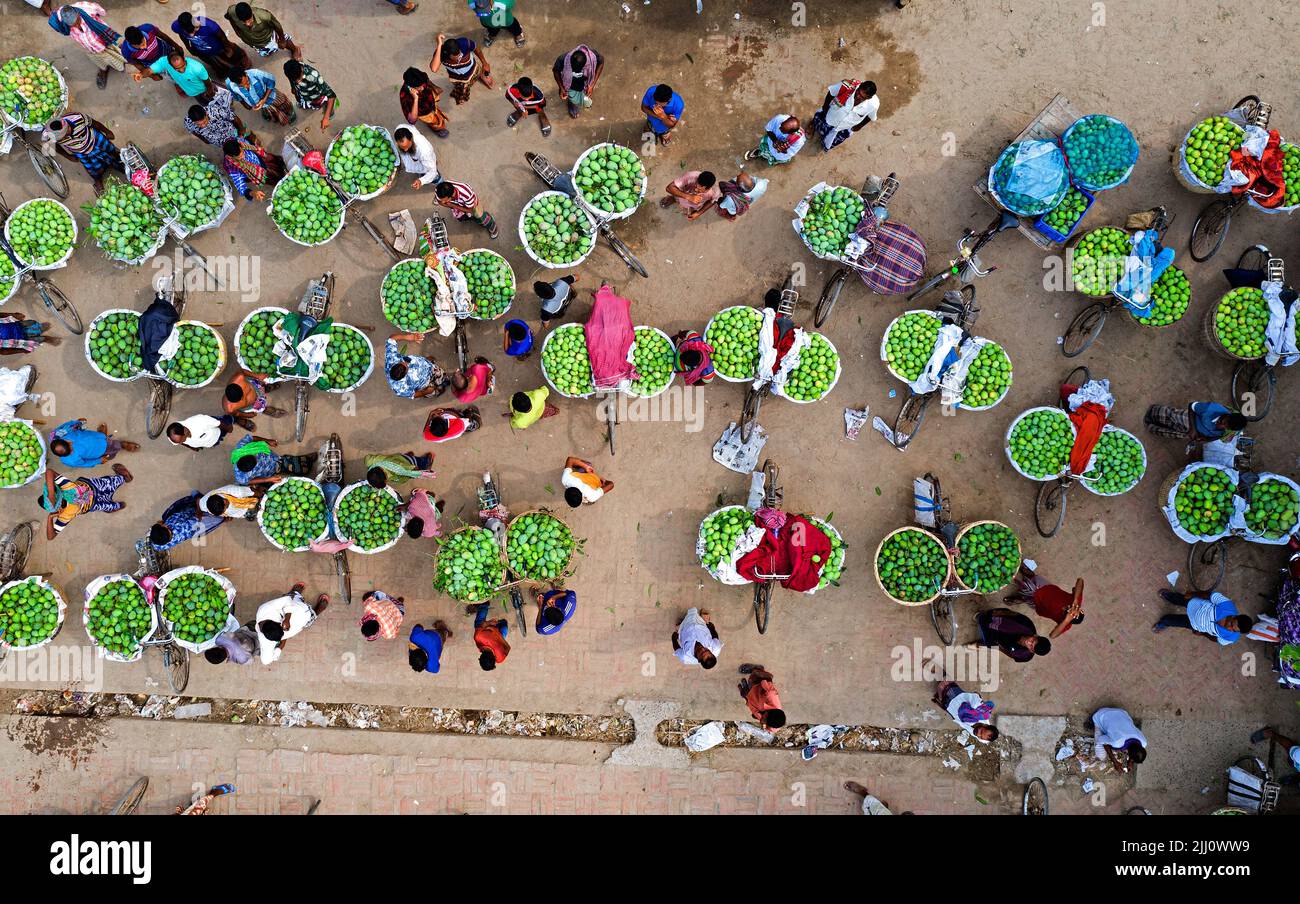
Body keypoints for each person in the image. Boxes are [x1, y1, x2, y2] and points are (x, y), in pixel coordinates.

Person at [39, 465, 131, 539]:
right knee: (110, 482)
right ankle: (124, 477)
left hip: (93, 504)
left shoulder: (64, 514)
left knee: (107, 506)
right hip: (95, 487)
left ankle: (116, 506)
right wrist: (51, 494)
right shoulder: (65, 488)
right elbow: (49, 471)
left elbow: (50, 536)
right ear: (57, 492)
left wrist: (50, 518)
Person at [48, 4, 127, 90]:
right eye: (72, 25)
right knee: (97, 59)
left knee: (114, 56)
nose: (77, 25)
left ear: (78, 13)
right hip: (88, 46)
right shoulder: (60, 21)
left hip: (103, 41)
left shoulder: (87, 9)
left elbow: (100, 10)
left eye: (77, 21)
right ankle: (103, 69)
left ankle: (119, 64)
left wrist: (98, 17)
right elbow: (56, 25)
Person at [43, 114, 124, 191]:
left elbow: (95, 123)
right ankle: (97, 179)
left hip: (95, 140)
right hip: (81, 152)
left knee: (111, 152)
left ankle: (118, 164)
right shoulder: (48, 134)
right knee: (92, 167)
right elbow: (55, 145)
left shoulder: (78, 118)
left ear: (67, 129)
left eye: (61, 137)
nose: (60, 139)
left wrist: (107, 131)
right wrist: (67, 156)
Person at [255, 582, 327, 665]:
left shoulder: (265, 609)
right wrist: (279, 649)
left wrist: (287, 618)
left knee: (290, 597)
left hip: (290, 605)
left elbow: (286, 601)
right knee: (308, 618)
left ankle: (295, 593)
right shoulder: (264, 640)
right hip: (301, 618)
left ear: (274, 621)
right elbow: (265, 661)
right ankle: (316, 611)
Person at [1004, 566, 1085, 639]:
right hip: (1045, 587)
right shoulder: (1077, 601)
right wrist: (1076, 599)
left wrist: (1066, 620)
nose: (1068, 608)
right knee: (1033, 579)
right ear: (1079, 609)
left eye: (1067, 612)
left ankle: (1021, 598)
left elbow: (1052, 636)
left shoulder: (1066, 623)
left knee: (1026, 594)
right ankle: (1030, 575)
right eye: (1071, 608)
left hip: (1038, 604)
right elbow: (1080, 580)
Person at [1153, 589, 1253, 644]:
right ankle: (1169, 596)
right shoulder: (1227, 605)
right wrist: (1193, 594)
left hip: (1195, 624)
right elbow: (1209, 595)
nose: (1228, 627)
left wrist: (1203, 634)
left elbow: (1216, 640)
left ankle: (1164, 622)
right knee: (1180, 599)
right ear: (1235, 616)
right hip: (1195, 604)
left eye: (1233, 629)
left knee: (1177, 622)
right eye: (1231, 623)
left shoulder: (1231, 638)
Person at [172, 11, 250, 80]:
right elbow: (181, 35)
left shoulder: (207, 24)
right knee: (215, 64)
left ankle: (243, 59)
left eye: (193, 30)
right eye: (188, 32)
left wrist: (227, 48)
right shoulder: (176, 26)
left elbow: (222, 36)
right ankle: (222, 71)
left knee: (233, 56)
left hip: (218, 48)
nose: (191, 35)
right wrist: (188, 47)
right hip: (202, 51)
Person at [811, 79, 879, 151]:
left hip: (844, 128)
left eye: (862, 97)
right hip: (831, 116)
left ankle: (825, 143)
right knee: (818, 121)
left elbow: (870, 116)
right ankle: (812, 125)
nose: (858, 96)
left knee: (831, 141)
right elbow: (831, 92)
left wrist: (860, 126)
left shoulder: (873, 104)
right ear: (859, 86)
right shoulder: (847, 85)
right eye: (858, 92)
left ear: (869, 98)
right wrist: (825, 107)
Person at [149, 491, 227, 551]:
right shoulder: (185, 528)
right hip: (195, 518)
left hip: (185, 514)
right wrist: (198, 504)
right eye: (162, 526)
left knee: (195, 495)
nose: (162, 524)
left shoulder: (159, 544)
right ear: (166, 528)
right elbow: (198, 517)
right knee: (217, 517)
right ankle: (224, 517)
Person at [431, 33, 493, 105]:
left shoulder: (464, 43)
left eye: (460, 55)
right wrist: (439, 45)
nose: (459, 58)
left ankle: (481, 76)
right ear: (447, 54)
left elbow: (477, 49)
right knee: (462, 90)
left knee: (477, 71)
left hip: (473, 67)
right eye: (455, 58)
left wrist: (484, 63)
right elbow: (434, 68)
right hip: (459, 78)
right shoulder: (440, 55)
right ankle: (462, 95)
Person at [184, 86, 254, 149]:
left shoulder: (217, 111)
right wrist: (205, 140)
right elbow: (193, 131)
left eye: (204, 122)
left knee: (247, 143)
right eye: (198, 124)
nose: (203, 126)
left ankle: (252, 140)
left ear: (206, 114)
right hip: (220, 143)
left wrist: (241, 133)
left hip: (232, 133)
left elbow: (234, 118)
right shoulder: (188, 122)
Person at [1144, 401, 1247, 444]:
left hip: (1197, 433)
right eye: (1222, 422)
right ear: (1228, 415)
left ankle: (1152, 426)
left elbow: (1218, 437)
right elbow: (1192, 406)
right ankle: (1152, 413)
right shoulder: (1211, 408)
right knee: (1171, 416)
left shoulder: (1229, 431)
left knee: (1174, 432)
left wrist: (1205, 438)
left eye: (1225, 427)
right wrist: (1193, 429)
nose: (1221, 426)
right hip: (1191, 420)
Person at [48, 419, 137, 468]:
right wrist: (98, 460)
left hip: (93, 436)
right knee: (112, 447)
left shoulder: (59, 433)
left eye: (69, 445)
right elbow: (84, 463)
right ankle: (122, 445)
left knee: (102, 437)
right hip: (101, 450)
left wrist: (76, 422)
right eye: (71, 451)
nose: (72, 446)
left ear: (63, 439)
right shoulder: (70, 460)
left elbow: (66, 425)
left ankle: (102, 434)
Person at [224, 3, 300, 59]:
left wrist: (282, 40)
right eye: (244, 21)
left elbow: (277, 26)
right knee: (266, 51)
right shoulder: (231, 11)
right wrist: (237, 32)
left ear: (251, 12)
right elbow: (230, 18)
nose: (247, 24)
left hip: (268, 37)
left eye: (249, 20)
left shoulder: (264, 16)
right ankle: (269, 50)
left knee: (284, 42)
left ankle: (295, 49)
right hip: (253, 43)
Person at [974, 607, 1051, 662]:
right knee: (982, 618)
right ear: (1035, 636)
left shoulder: (1024, 656)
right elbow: (1011, 614)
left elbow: (1011, 655)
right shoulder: (1026, 624)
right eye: (1033, 640)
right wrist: (993, 614)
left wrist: (998, 648)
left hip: (998, 639)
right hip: (999, 622)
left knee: (988, 642)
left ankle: (981, 643)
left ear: (1031, 651)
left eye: (1031, 646)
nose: (1028, 642)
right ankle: (982, 617)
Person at [385, 334, 449, 400]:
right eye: (406, 366)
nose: (406, 363)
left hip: (429, 367)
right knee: (433, 390)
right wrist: (426, 392)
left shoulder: (391, 359)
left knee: (441, 375)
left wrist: (407, 337)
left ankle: (443, 379)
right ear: (405, 374)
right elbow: (414, 394)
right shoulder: (400, 388)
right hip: (425, 383)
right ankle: (439, 389)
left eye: (401, 362)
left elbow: (391, 339)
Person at [232, 433, 314, 484]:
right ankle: (286, 468)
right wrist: (268, 479)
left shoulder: (240, 448)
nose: (257, 457)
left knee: (290, 460)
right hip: (271, 471)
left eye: (254, 456)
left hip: (274, 457)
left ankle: (294, 459)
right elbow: (250, 481)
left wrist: (267, 441)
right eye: (256, 460)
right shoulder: (241, 478)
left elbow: (252, 438)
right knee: (303, 471)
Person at [225, 65, 295, 125]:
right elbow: (237, 96)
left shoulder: (256, 73)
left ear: (246, 74)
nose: (245, 86)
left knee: (285, 105)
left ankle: (291, 113)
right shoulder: (230, 84)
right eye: (241, 85)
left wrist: (264, 99)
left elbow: (271, 81)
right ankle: (274, 115)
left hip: (272, 97)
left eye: (246, 82)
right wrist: (244, 103)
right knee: (271, 112)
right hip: (260, 105)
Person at [932, 680, 998, 743]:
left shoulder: (983, 738)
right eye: (981, 732)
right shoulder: (979, 713)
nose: (978, 734)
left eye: (980, 736)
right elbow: (976, 697)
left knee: (942, 696)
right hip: (956, 696)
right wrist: (978, 699)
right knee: (944, 684)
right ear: (986, 725)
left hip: (951, 709)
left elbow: (984, 740)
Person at [221, 136, 284, 202]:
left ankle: (281, 170)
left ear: (240, 146)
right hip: (257, 173)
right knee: (272, 178)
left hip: (259, 159)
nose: (243, 157)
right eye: (239, 157)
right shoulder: (232, 167)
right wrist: (253, 193)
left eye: (242, 152)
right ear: (230, 156)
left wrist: (259, 151)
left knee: (275, 165)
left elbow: (252, 146)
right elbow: (240, 185)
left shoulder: (240, 142)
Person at [1090, 706, 1147, 773]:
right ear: (1128, 752)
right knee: (1101, 755)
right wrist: (1114, 762)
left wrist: (1130, 762)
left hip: (1122, 713)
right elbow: (1101, 740)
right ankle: (1096, 725)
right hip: (1101, 715)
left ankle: (1109, 729)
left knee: (1113, 739)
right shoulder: (1117, 742)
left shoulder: (1144, 742)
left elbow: (1134, 750)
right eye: (1132, 759)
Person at [283, 59, 336, 130]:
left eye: (299, 78)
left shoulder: (314, 76)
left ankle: (330, 113)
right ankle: (304, 103)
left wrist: (326, 118)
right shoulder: (290, 70)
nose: (298, 82)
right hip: (303, 95)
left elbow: (331, 95)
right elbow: (290, 78)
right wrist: (293, 87)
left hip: (315, 96)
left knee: (320, 103)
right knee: (303, 101)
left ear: (302, 70)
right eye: (295, 80)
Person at [552, 45, 602, 118]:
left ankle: (581, 95)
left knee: (584, 91)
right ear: (570, 63)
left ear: (586, 64)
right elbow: (555, 71)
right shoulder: (563, 59)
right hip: (571, 83)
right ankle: (571, 103)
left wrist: (592, 85)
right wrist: (562, 88)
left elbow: (601, 62)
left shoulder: (592, 56)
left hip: (584, 81)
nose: (577, 71)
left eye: (580, 69)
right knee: (571, 94)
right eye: (574, 69)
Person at [399, 67, 449, 139]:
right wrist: (415, 99)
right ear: (410, 87)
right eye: (418, 87)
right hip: (424, 113)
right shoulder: (405, 96)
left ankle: (436, 119)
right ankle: (436, 128)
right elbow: (412, 120)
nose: (422, 88)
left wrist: (434, 87)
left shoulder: (421, 78)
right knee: (433, 121)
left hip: (430, 101)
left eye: (422, 85)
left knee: (436, 113)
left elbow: (427, 80)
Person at [737, 663, 786, 730]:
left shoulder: (771, 722)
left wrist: (747, 698)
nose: (761, 721)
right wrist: (759, 679)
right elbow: (765, 684)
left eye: (765, 722)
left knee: (746, 690)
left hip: (752, 698)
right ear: (768, 712)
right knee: (752, 679)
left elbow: (774, 729)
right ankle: (758, 669)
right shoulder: (771, 697)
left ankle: (751, 688)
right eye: (764, 719)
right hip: (757, 687)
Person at [166, 413, 248, 450]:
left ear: (185, 430)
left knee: (227, 420)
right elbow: (180, 443)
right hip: (210, 442)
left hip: (218, 431)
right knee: (216, 442)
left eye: (181, 441)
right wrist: (192, 447)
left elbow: (219, 424)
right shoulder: (173, 436)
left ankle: (235, 418)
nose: (180, 443)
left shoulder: (201, 421)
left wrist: (228, 428)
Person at [468, 602, 510, 670]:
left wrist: (490, 623)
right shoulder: (499, 658)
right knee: (504, 625)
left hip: (485, 628)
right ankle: (502, 622)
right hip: (497, 636)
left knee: (481, 616)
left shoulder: (479, 637)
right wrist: (499, 636)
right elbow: (508, 648)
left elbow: (482, 624)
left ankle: (482, 606)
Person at [364, 452, 434, 488]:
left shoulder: (398, 469)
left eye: (385, 480)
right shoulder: (370, 461)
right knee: (402, 458)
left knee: (419, 462)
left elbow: (413, 470)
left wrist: (417, 472)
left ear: (385, 475)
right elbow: (367, 457)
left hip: (410, 464)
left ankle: (427, 460)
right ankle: (408, 456)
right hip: (398, 459)